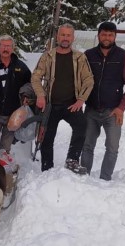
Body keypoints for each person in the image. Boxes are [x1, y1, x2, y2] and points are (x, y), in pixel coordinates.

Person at [31, 23, 94, 174]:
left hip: (71, 104)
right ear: (57, 37)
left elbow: (89, 79)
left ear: (73, 38)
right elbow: (35, 77)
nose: (65, 38)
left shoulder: (79, 57)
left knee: (81, 127)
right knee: (47, 137)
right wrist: (40, 95)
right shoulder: (48, 56)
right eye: (62, 35)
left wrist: (81, 100)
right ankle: (47, 169)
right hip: (51, 105)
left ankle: (72, 160)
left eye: (68, 35)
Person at [81, 22, 125, 181]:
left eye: (110, 35)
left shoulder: (123, 56)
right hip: (91, 110)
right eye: (104, 34)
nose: (107, 38)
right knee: (87, 145)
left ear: (115, 36)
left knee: (112, 148)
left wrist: (121, 108)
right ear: (98, 35)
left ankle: (105, 179)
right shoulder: (88, 55)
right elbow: (80, 80)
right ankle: (84, 177)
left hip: (113, 112)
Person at [0, 35, 31, 156]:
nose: (6, 48)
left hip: (12, 115)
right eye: (3, 45)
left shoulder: (21, 67)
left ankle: (2, 172)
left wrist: (26, 96)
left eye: (8, 46)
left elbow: (30, 84)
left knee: (5, 149)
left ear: (13, 48)